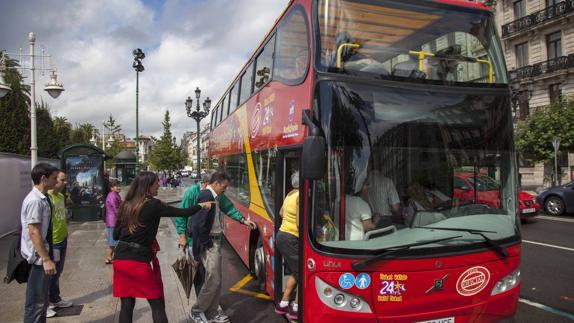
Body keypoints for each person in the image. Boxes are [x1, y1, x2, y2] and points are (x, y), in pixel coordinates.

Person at [112, 171, 212, 323]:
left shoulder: (126, 204)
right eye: (156, 182)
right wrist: (200, 205)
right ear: (148, 186)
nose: (159, 184)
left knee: (127, 303)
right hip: (138, 261)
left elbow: (115, 235)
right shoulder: (154, 205)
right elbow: (183, 212)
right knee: (157, 303)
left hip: (120, 259)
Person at [189, 171, 256, 323]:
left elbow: (228, 208)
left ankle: (212, 313)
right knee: (213, 279)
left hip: (215, 241)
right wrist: (207, 243)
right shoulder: (206, 196)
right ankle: (197, 311)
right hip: (210, 242)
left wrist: (243, 220)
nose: (225, 190)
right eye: (224, 187)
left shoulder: (216, 196)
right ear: (216, 183)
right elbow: (197, 224)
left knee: (216, 281)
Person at [21, 162, 59, 323]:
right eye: (54, 178)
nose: (56, 181)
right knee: (36, 303)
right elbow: (34, 231)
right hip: (38, 259)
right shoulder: (35, 201)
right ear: (43, 179)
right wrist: (46, 259)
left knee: (41, 302)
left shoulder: (43, 199)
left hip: (42, 256)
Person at [176, 172, 251, 250]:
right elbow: (182, 213)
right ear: (209, 184)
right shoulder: (192, 192)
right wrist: (182, 236)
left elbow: (228, 207)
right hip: (196, 239)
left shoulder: (218, 194)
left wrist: (242, 219)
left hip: (213, 239)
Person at [45, 171, 73, 318]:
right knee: (50, 274)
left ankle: (55, 298)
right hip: (53, 242)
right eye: (63, 180)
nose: (65, 182)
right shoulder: (46, 198)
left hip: (62, 239)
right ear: (55, 181)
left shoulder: (61, 196)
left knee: (58, 271)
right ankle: (46, 303)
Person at [275, 171, 300, 321]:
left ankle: (283, 303)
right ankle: (296, 308)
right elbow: (299, 222)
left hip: (282, 235)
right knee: (302, 273)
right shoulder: (299, 197)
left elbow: (280, 213)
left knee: (296, 271)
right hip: (292, 237)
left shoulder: (290, 194)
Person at [104, 179, 122, 264]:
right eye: (116, 186)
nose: (119, 187)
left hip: (115, 221)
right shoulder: (112, 196)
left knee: (114, 241)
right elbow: (116, 209)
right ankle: (109, 257)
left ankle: (111, 257)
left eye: (119, 185)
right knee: (113, 241)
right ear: (111, 188)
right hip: (113, 221)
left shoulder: (116, 195)